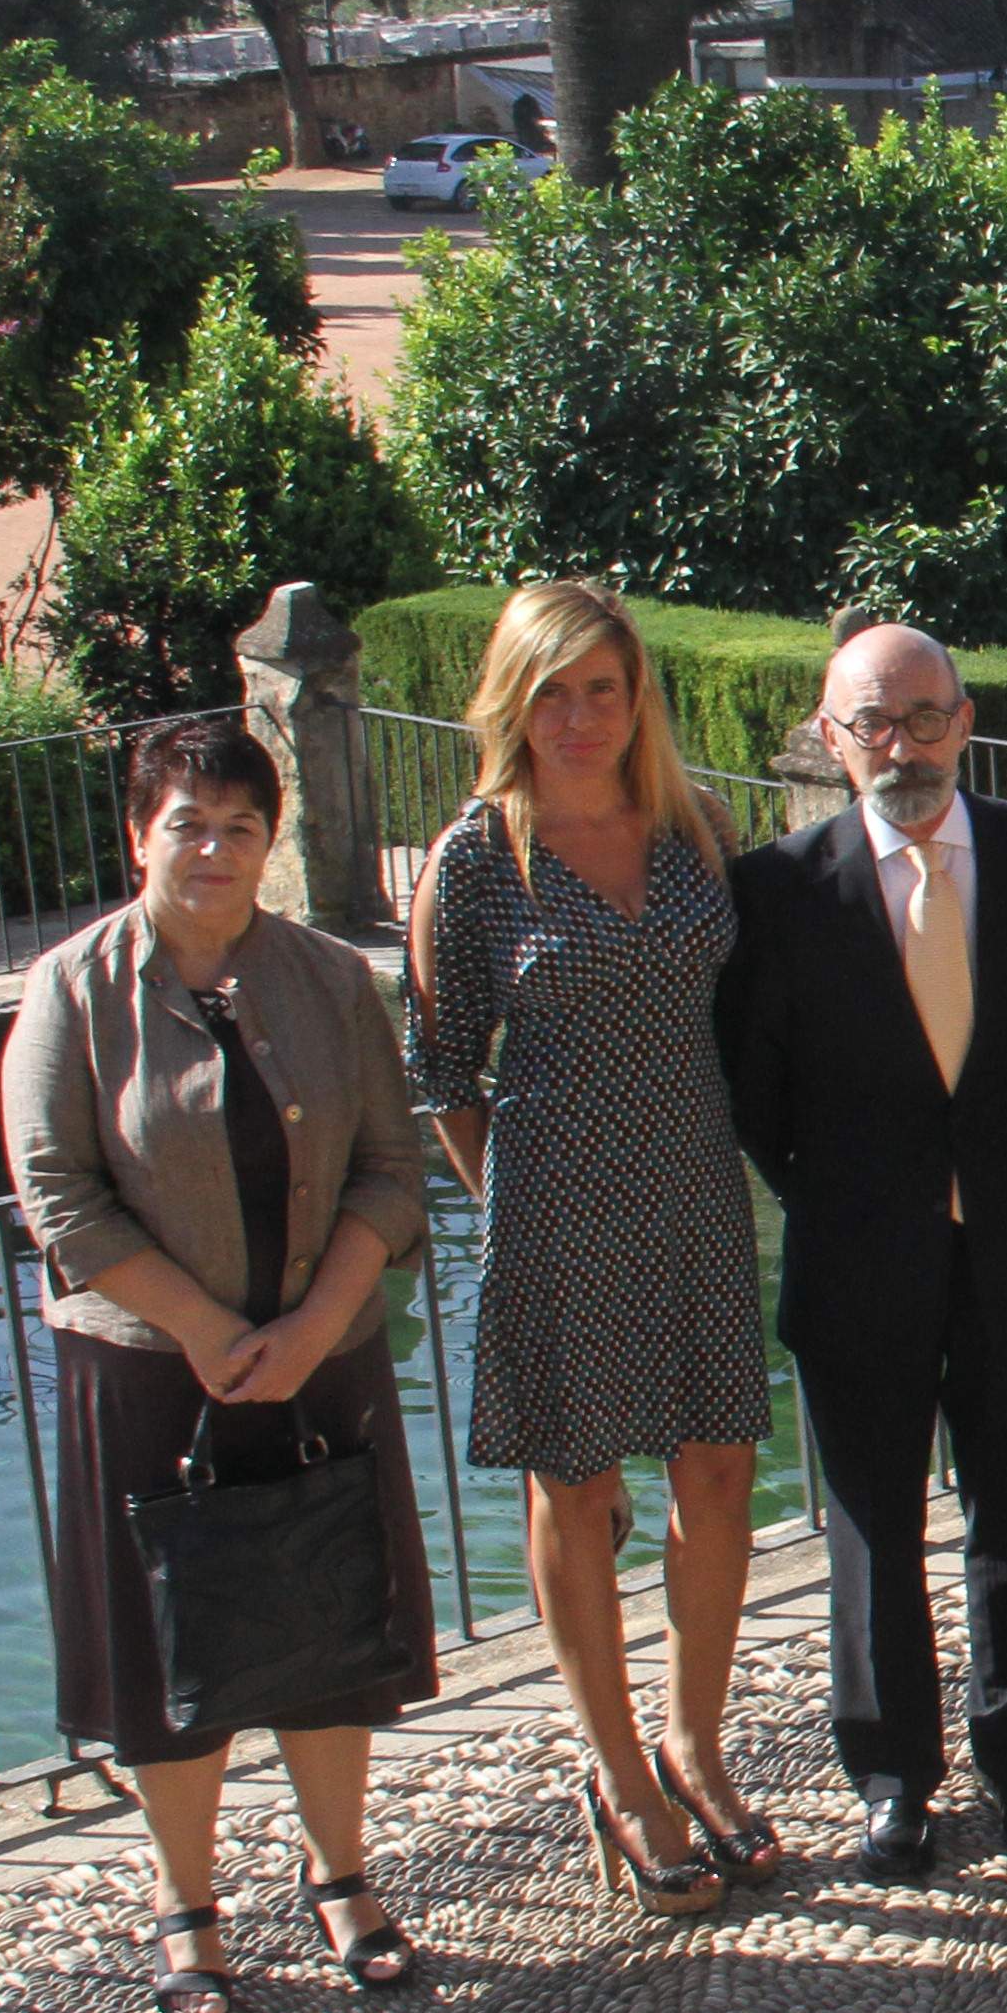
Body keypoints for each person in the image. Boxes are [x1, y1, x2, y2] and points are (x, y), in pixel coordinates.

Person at [6, 718, 440, 2013]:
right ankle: (187, 1908)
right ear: (139, 835)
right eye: (187, 824)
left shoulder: (325, 978)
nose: (213, 849)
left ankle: (343, 1878)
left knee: (325, 1628)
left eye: (240, 828)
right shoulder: (71, 990)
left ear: (271, 842)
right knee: (172, 1654)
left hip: (323, 1354)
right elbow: (58, 1198)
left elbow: (387, 1163)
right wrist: (200, 1326)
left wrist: (315, 1326)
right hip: (149, 1371)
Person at [718, 622, 1007, 1877]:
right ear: (833, 741)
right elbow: (756, 1097)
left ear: (967, 718)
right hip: (855, 1254)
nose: (901, 747)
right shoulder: (773, 891)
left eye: (923, 718)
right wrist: (855, 1196)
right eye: (871, 725)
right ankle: (893, 1779)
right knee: (870, 1526)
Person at [408, 579, 773, 1920]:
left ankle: (700, 1742)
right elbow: (440, 1066)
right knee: (574, 1489)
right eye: (550, 691)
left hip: (692, 1188)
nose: (577, 717)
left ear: (637, 702)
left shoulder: (697, 830)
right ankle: (618, 1770)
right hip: (555, 1201)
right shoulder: (474, 859)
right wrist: (511, 1207)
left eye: (601, 691)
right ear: (513, 700)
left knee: (720, 1470)